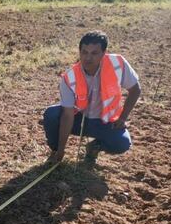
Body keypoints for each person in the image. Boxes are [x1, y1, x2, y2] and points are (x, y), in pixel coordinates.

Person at [43, 31, 141, 164]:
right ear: (79, 52)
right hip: (79, 120)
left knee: (122, 143)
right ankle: (55, 151)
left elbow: (135, 90)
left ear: (104, 53)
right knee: (51, 115)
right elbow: (67, 114)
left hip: (106, 121)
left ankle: (94, 147)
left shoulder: (118, 63)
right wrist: (61, 150)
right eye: (84, 52)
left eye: (94, 53)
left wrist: (123, 117)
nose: (88, 58)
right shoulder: (69, 77)